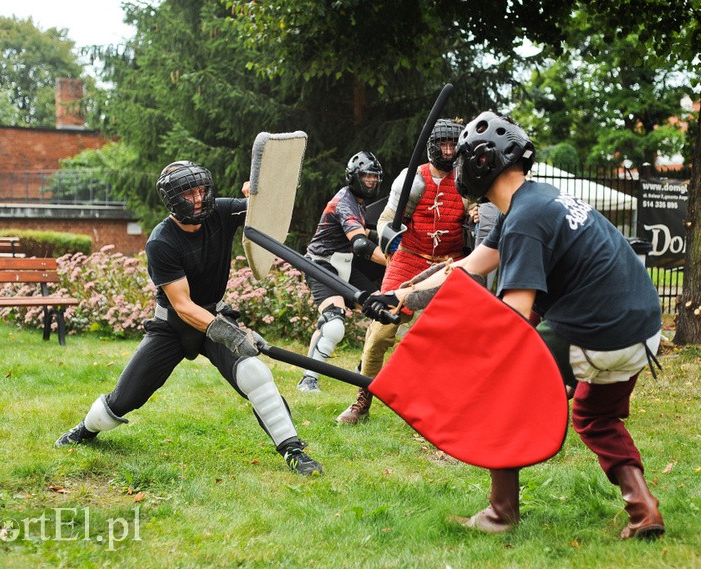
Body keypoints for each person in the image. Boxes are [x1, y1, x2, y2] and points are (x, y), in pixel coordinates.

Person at [364, 111, 665, 538]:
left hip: (597, 330)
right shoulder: (533, 201)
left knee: (498, 390)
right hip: (643, 332)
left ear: (479, 164)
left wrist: (454, 354)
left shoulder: (524, 219)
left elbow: (514, 319)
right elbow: (467, 267)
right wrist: (400, 297)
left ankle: (500, 515)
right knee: (595, 417)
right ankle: (644, 509)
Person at [55, 160, 323, 476]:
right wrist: (234, 335)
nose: (197, 199)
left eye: (201, 190)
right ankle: (86, 429)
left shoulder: (222, 212)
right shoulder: (161, 241)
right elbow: (182, 306)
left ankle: (293, 452)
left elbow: (265, 212)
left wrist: (259, 196)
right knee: (125, 399)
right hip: (172, 326)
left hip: (215, 314)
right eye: (188, 194)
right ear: (172, 199)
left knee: (256, 375)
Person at [335, 118, 468, 423]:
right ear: (433, 146)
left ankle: (445, 405)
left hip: (450, 264)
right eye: (443, 144)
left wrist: (473, 217)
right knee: (380, 331)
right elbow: (385, 221)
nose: (448, 151)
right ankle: (362, 400)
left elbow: (481, 221)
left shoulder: (466, 180)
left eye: (453, 145)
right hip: (408, 259)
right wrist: (391, 245)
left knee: (450, 338)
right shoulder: (413, 180)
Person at [297, 151, 388, 393]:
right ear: (354, 177)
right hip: (321, 264)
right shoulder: (344, 201)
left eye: (374, 178)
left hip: (344, 266)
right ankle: (308, 380)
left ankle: (363, 371)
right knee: (334, 323)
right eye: (367, 177)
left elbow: (365, 232)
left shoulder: (357, 202)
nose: (371, 182)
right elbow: (359, 243)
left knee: (384, 311)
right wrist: (392, 260)